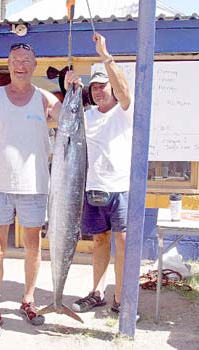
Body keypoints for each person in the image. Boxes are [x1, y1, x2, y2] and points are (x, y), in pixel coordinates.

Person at [0, 42, 79, 339]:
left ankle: (28, 301)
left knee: (33, 247)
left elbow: (72, 118)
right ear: (8, 64)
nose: (20, 65)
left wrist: (71, 88)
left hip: (35, 188)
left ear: (34, 65)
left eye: (26, 61)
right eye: (15, 60)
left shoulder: (45, 99)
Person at [69, 33, 135, 317]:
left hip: (120, 189)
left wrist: (105, 55)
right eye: (93, 87)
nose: (97, 91)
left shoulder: (123, 111)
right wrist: (69, 85)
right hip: (92, 189)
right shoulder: (87, 115)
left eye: (102, 85)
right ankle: (97, 293)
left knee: (122, 242)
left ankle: (121, 298)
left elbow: (124, 91)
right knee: (99, 241)